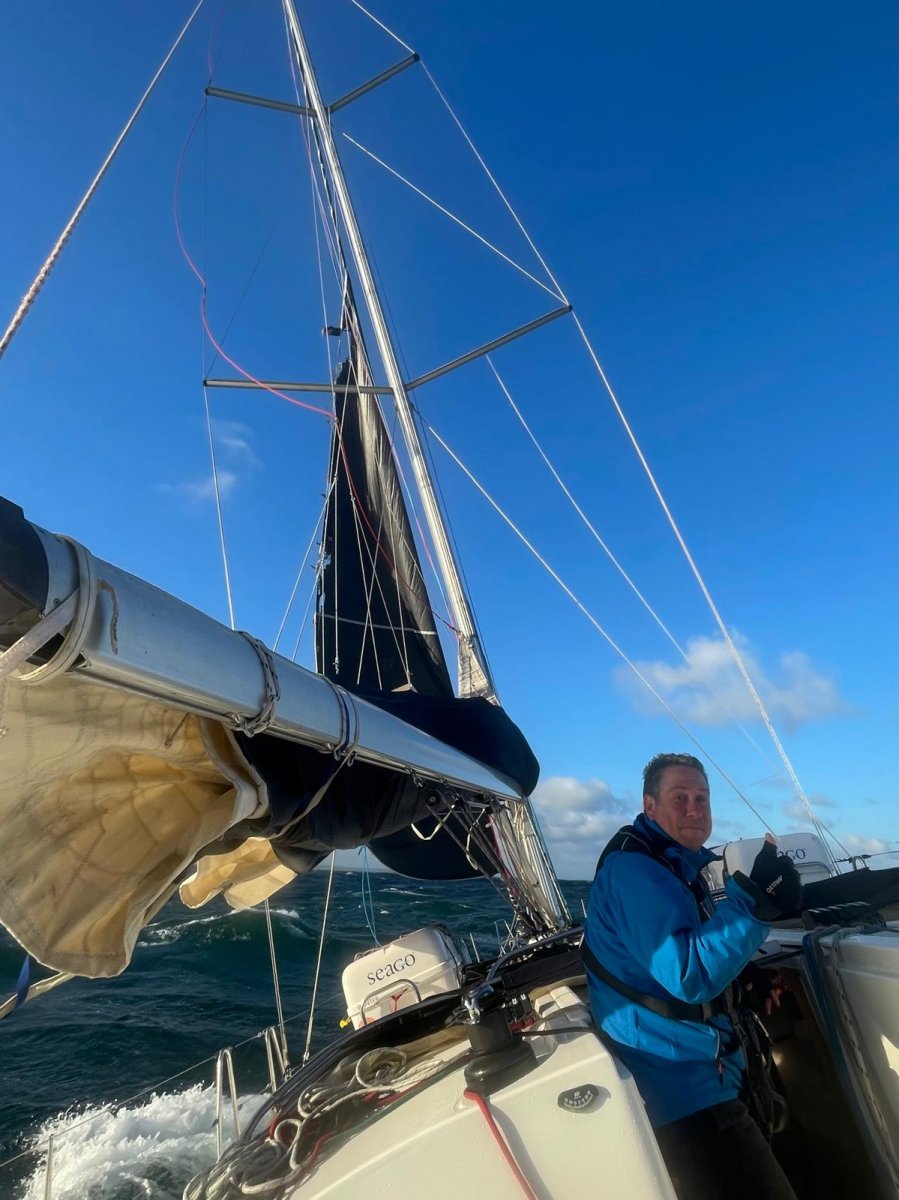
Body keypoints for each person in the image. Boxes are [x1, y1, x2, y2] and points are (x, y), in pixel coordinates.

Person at [583, 752, 802, 1200]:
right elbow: (689, 973)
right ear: (650, 807)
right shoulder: (636, 872)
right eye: (679, 797)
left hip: (706, 1065)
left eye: (701, 798)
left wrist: (744, 983)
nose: (694, 808)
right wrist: (754, 901)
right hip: (682, 1088)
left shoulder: (672, 863)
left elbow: (693, 954)